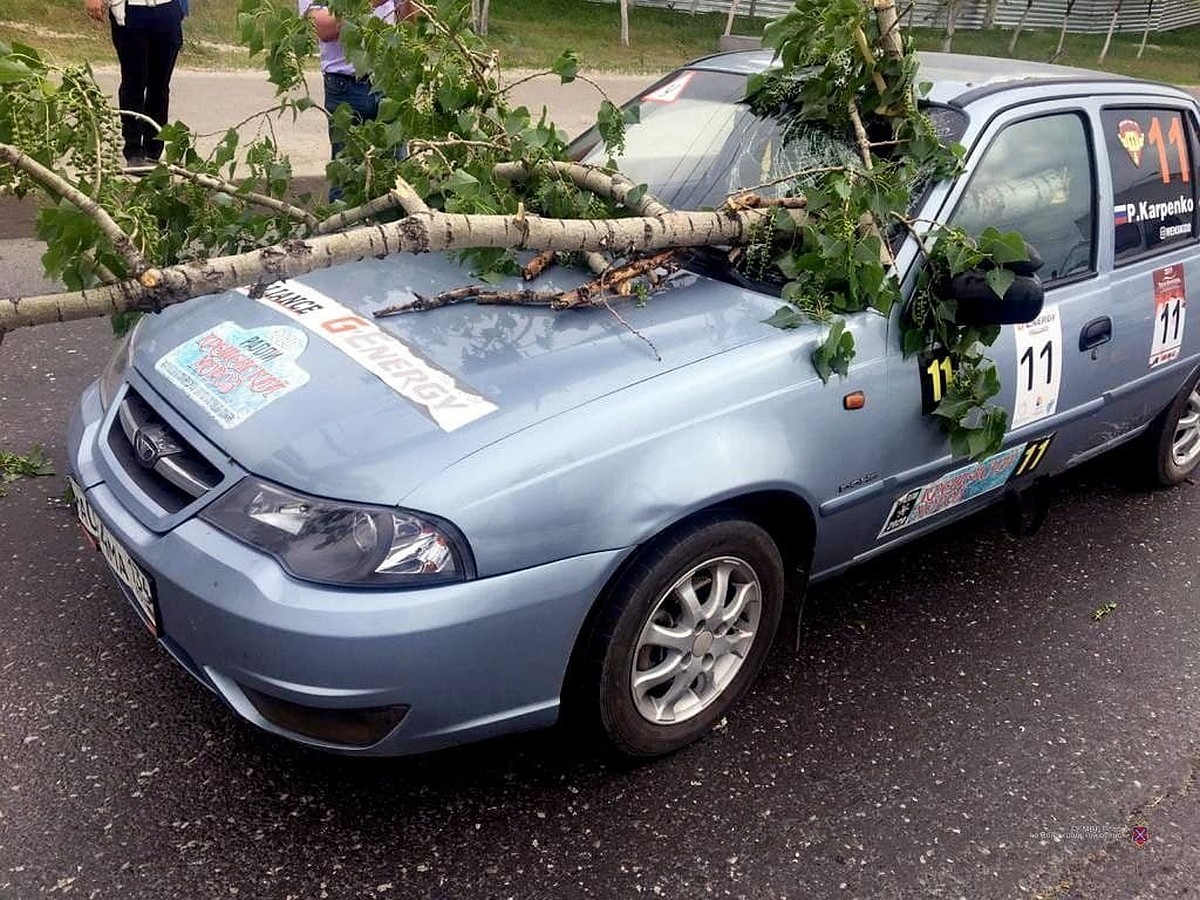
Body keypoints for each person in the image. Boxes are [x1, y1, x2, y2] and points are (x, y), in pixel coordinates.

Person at [299, 0, 413, 161]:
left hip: (389, 83)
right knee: (349, 175)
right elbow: (322, 27)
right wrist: (371, 3)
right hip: (347, 88)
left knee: (396, 173)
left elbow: (409, 25)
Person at [84, 0, 185, 167]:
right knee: (134, 83)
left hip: (167, 8)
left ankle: (153, 150)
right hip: (131, 10)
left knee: (160, 85)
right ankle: (134, 151)